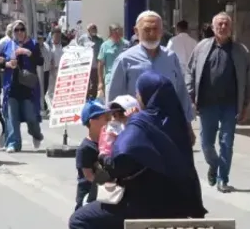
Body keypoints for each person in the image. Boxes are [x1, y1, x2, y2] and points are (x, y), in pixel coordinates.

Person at [69, 71, 206, 229]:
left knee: (80, 221)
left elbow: (120, 160)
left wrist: (105, 156)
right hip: (181, 206)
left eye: (139, 92)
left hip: (143, 207)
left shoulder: (143, 122)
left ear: (146, 95)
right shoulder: (178, 125)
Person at [186, 12, 250, 193]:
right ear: (213, 27)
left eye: (226, 24)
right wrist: (191, 96)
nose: (223, 27)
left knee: (226, 142)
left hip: (230, 106)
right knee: (206, 144)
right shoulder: (201, 47)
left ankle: (223, 179)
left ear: (230, 28)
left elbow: (249, 80)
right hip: (207, 105)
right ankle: (214, 164)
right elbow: (190, 72)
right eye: (220, 24)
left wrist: (245, 105)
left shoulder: (241, 51)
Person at [106, 11, 195, 144]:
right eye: (147, 30)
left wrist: (188, 126)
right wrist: (113, 129)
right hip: (135, 129)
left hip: (168, 128)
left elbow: (181, 92)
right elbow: (114, 96)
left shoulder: (171, 58)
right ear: (136, 31)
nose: (152, 34)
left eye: (156, 29)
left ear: (162, 31)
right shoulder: (125, 60)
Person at [0, 20, 44, 153]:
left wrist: (29, 53)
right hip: (12, 86)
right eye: (16, 30)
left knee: (31, 116)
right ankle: (13, 143)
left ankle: (36, 134)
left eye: (22, 29)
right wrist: (6, 64)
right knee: (12, 116)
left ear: (25, 30)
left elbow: (40, 61)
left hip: (28, 87)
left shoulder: (33, 44)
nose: (19, 32)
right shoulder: (8, 45)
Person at [75, 101, 110, 211]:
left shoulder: (106, 143)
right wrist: (107, 185)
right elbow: (88, 175)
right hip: (89, 193)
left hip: (103, 191)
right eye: (105, 118)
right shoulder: (85, 148)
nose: (108, 120)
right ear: (92, 121)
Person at [96, 24, 129, 103]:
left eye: (120, 32)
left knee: (125, 104)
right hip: (110, 79)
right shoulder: (105, 46)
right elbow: (100, 65)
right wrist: (100, 82)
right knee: (110, 103)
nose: (119, 34)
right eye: (116, 32)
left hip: (125, 79)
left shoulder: (126, 44)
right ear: (111, 33)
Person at [79, 24, 104, 100]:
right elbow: (78, 49)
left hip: (95, 65)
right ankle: (85, 99)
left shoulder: (100, 39)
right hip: (85, 65)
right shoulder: (83, 38)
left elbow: (102, 50)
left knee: (94, 84)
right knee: (85, 83)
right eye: (93, 29)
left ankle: (92, 99)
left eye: (95, 28)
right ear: (88, 30)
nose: (95, 30)